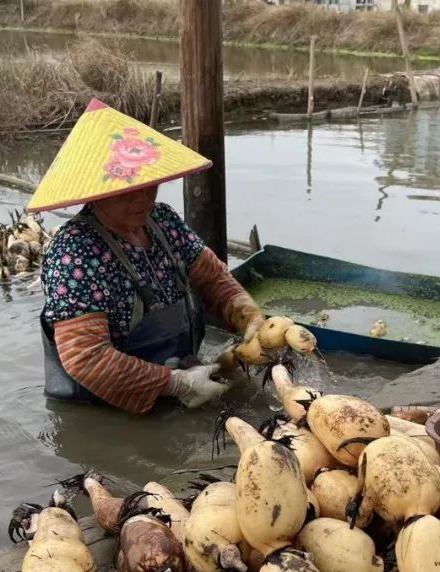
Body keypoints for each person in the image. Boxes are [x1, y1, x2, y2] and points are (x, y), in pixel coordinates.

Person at [26, 98, 264, 415]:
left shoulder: (162, 221)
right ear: (94, 193)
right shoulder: (74, 254)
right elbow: (87, 357)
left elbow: (213, 279)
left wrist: (251, 320)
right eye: (126, 189)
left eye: (148, 184)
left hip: (183, 380)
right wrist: (177, 384)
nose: (143, 197)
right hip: (102, 412)